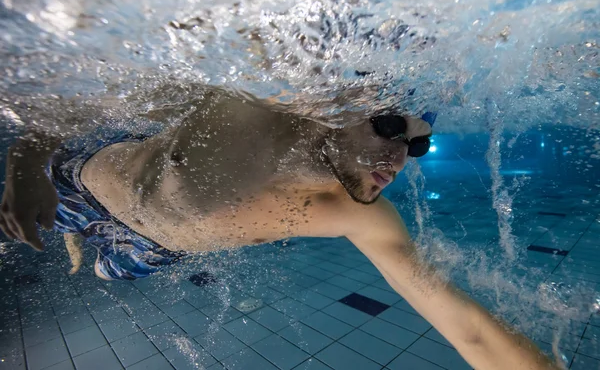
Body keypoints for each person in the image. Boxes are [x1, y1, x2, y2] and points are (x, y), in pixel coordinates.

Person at [0, 85, 561, 370]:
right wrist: (25, 170)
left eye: (416, 144)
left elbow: (464, 325)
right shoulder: (243, 113)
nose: (398, 155)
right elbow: (75, 102)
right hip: (81, 185)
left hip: (153, 248)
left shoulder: (352, 213)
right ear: (341, 108)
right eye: (389, 126)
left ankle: (89, 247)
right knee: (29, 223)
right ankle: (76, 231)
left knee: (109, 271)